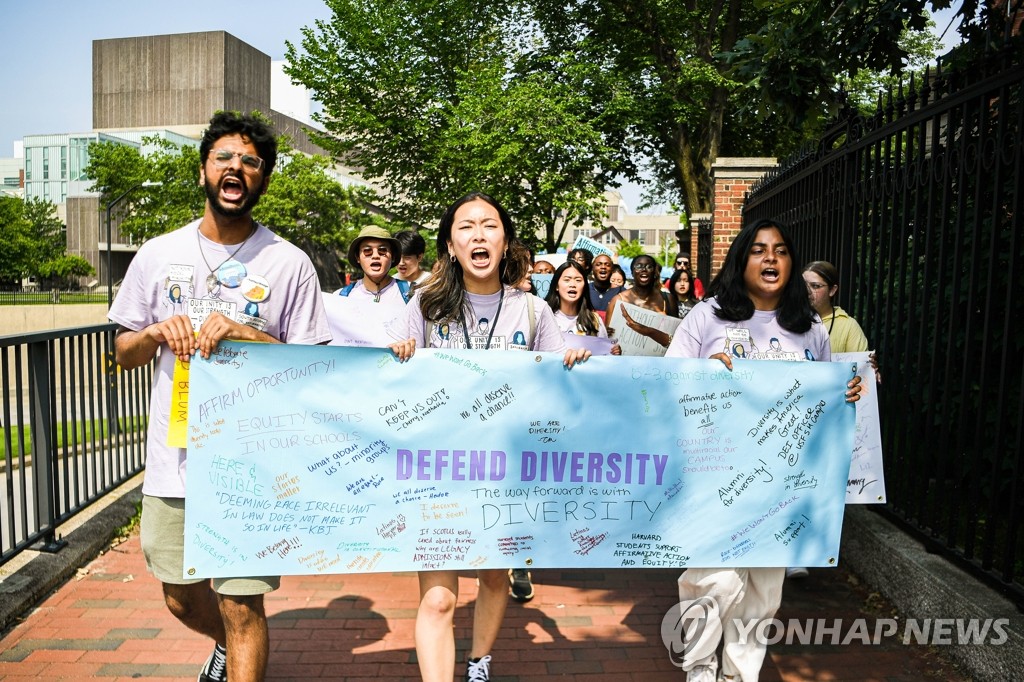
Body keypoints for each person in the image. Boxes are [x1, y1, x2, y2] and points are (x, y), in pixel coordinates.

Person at [108, 111, 331, 682]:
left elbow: (314, 369)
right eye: (226, 158)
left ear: (264, 179)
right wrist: (156, 333)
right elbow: (121, 351)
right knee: (181, 596)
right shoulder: (158, 254)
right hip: (174, 462)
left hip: (251, 464)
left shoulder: (289, 262)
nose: (237, 168)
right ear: (205, 169)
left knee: (242, 603)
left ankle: (237, 645)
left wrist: (250, 334)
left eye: (251, 162)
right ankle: (227, 646)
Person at [665, 219, 861, 682]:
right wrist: (704, 373)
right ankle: (699, 666)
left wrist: (846, 392)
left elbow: (824, 397)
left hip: (783, 483)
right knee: (714, 577)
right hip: (715, 476)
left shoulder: (809, 326)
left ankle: (738, 674)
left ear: (791, 263)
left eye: (780, 251)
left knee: (764, 590)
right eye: (758, 249)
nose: (770, 258)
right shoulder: (707, 316)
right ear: (741, 259)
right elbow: (669, 382)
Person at [405, 192, 589, 682]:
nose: (479, 235)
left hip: (507, 476)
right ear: (450, 244)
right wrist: (398, 354)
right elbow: (396, 388)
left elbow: (557, 392)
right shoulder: (424, 306)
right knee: (440, 597)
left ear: (506, 241)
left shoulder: (533, 311)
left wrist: (572, 366)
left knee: (492, 576)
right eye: (466, 227)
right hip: (439, 475)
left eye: (490, 225)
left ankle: (478, 662)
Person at [325, 225, 411, 346]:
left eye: (382, 250)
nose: (375, 255)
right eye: (367, 251)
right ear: (358, 257)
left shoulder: (412, 294)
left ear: (393, 257)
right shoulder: (340, 298)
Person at [545, 260, 622, 355]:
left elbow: (604, 357)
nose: (572, 285)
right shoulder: (544, 317)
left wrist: (613, 352)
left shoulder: (594, 321)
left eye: (578, 280)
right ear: (557, 286)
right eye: (567, 280)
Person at [606, 254, 678, 349]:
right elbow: (607, 338)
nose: (644, 269)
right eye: (639, 266)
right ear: (632, 272)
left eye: (649, 267)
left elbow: (677, 338)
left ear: (654, 273)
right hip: (624, 361)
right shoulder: (618, 300)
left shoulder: (668, 299)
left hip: (659, 362)